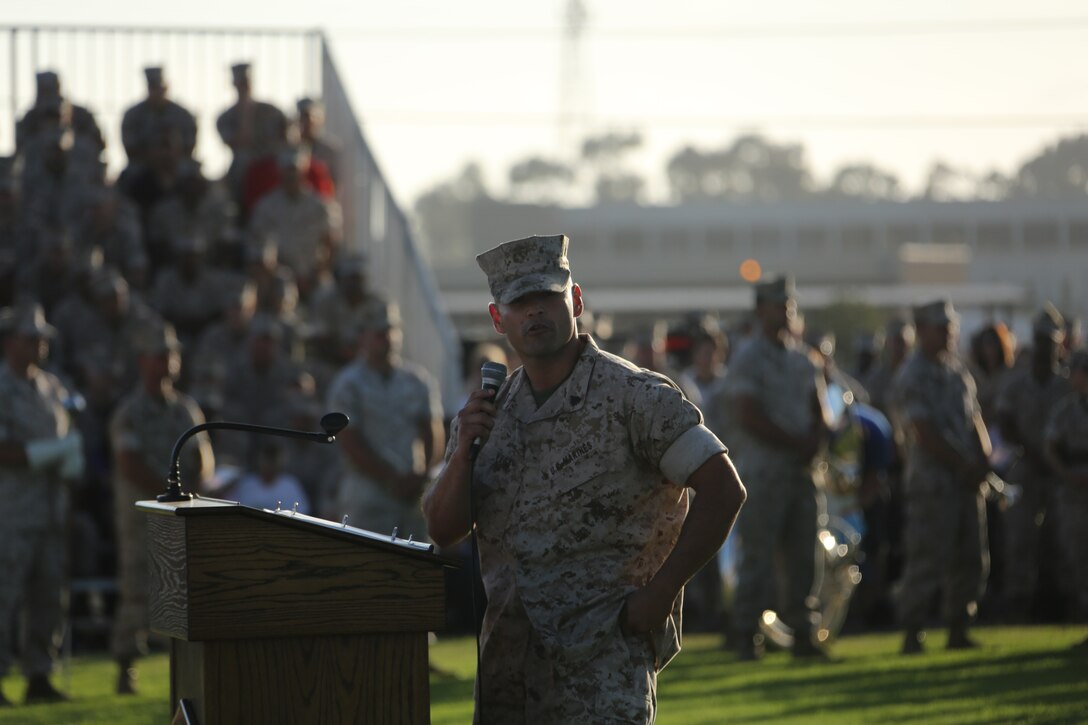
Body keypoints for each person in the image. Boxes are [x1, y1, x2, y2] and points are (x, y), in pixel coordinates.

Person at [423, 234, 746, 723]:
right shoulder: (488, 415)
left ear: (575, 300)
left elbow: (723, 489)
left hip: (603, 665)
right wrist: (464, 454)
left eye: (547, 298)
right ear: (497, 319)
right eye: (519, 303)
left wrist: (660, 595)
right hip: (509, 670)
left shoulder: (635, 397)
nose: (535, 313)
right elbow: (443, 529)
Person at [724, 275, 831, 661]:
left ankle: (804, 634)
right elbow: (747, 415)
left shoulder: (804, 359)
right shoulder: (748, 358)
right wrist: (797, 442)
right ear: (759, 310)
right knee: (758, 558)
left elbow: (820, 408)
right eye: (776, 304)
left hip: (802, 472)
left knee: (806, 558)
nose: (785, 311)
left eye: (788, 304)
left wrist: (816, 438)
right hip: (764, 473)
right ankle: (745, 634)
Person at [109, 319, 213, 694]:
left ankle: (185, 667)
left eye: (171, 355)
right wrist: (170, 494)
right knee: (137, 589)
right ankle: (126, 667)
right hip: (141, 518)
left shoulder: (185, 410)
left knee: (184, 591)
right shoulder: (129, 412)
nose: (167, 362)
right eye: (159, 355)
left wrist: (191, 496)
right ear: (142, 362)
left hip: (183, 518)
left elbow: (204, 461)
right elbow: (128, 462)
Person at [891, 300, 991, 654]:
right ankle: (912, 630)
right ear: (921, 330)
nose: (949, 333)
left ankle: (958, 628)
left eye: (951, 326)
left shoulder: (956, 372)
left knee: (970, 557)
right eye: (941, 327)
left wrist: (984, 456)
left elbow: (975, 419)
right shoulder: (912, 374)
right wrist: (965, 465)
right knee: (927, 558)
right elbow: (923, 431)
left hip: (965, 483)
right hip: (933, 485)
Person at [0, 302, 84, 705]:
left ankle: (39, 676)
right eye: (31, 337)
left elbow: (67, 436)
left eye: (42, 337)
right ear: (10, 341)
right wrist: (47, 453)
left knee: (50, 598)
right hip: (11, 512)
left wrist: (69, 461)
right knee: (4, 596)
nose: (39, 344)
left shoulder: (53, 386)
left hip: (51, 508)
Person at [328, 299, 443, 539]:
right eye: (379, 333)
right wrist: (390, 478)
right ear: (363, 337)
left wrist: (420, 477)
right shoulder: (348, 384)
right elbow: (349, 440)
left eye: (392, 331)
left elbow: (433, 432)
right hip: (368, 495)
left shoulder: (417, 379)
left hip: (412, 496)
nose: (388, 338)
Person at [995, 304, 1071, 622]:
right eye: (1040, 340)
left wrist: (1055, 456)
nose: (1044, 347)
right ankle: (1018, 604)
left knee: (1063, 538)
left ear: (1059, 343)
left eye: (1049, 341)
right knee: (1020, 538)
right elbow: (1005, 421)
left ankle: (1065, 603)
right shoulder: (1016, 383)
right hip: (1027, 466)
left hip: (1061, 471)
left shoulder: (1067, 385)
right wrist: (1032, 450)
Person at [1044, 348, 1088, 624]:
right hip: (1075, 493)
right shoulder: (1066, 410)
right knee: (1079, 558)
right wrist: (1068, 476)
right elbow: (1051, 447)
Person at [120, 67, 197, 176]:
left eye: (159, 87)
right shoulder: (133, 115)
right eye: (153, 88)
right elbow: (130, 148)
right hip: (143, 164)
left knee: (192, 177)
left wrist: (170, 156)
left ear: (165, 88)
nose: (157, 92)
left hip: (177, 164)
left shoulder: (182, 114)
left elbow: (190, 145)